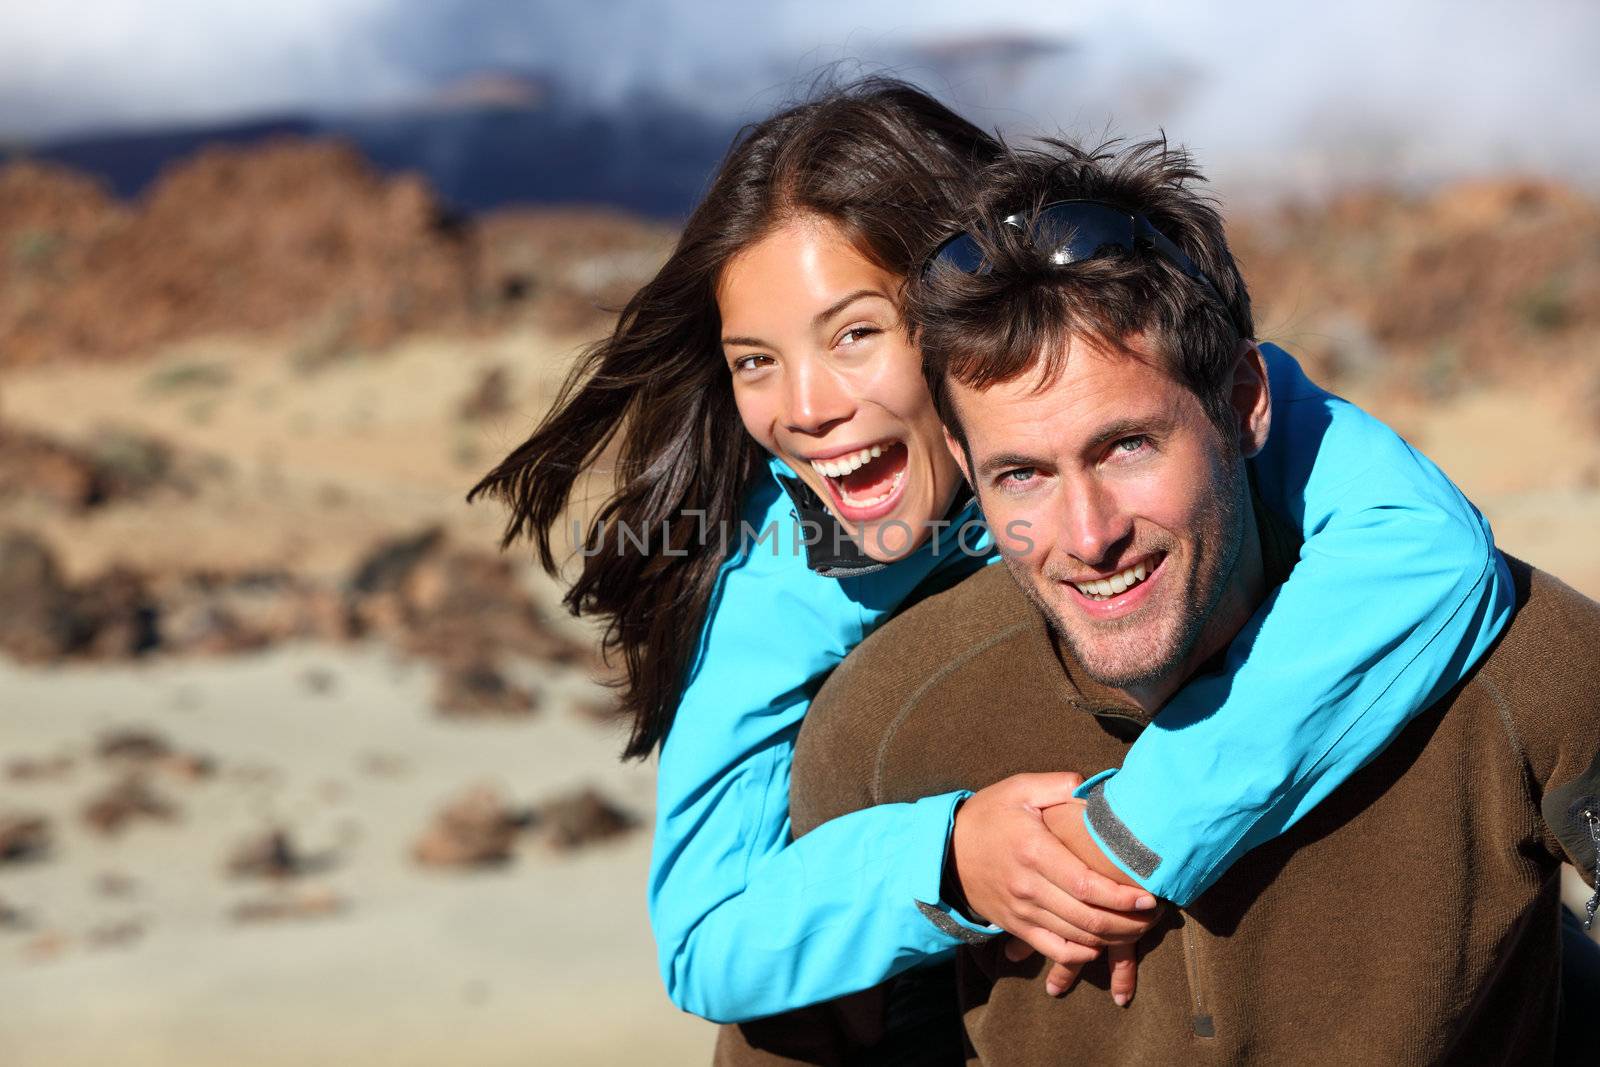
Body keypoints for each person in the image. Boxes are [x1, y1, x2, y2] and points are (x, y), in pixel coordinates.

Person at [467, 79, 1511, 1028]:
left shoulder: (1154, 387)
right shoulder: (779, 574)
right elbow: (705, 934)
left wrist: (1133, 831)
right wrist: (954, 860)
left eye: (854, 334)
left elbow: (1426, 552)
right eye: (755, 361)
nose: (805, 409)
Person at [786, 135, 1600, 1065]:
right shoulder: (887, 726)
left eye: (1127, 446)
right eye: (1022, 474)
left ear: (1245, 401)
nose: (1088, 535)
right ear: (968, 469)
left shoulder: (1519, 669)